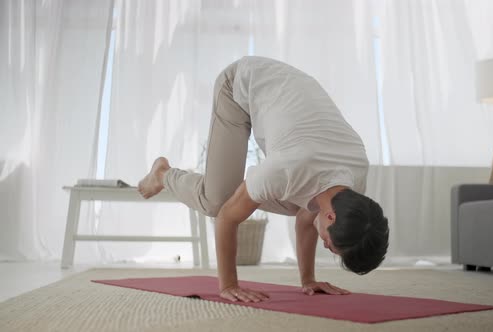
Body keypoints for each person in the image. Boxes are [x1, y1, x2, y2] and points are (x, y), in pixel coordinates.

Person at [138, 56, 389, 303]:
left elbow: (306, 216)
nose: (327, 248)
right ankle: (162, 173)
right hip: (242, 84)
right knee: (217, 201)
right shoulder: (288, 170)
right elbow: (226, 217)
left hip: (289, 90)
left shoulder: (353, 183)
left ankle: (240, 194)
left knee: (297, 204)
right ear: (331, 217)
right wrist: (228, 285)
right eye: (330, 244)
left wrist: (308, 280)